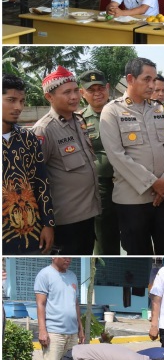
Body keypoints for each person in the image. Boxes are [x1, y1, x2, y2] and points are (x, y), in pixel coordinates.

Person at [100, 57, 164, 255]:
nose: (152, 85)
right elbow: (117, 156)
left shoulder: (159, 109)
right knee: (139, 257)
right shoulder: (112, 111)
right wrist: (153, 183)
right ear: (130, 78)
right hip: (132, 201)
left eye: (154, 80)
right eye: (147, 79)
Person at [33, 66, 101, 255]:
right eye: (66, 92)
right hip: (64, 222)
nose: (74, 97)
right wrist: (46, 224)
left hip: (87, 214)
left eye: (75, 91)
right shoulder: (44, 130)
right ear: (49, 97)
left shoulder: (78, 121)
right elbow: (36, 180)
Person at [2, 74, 54, 255]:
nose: (18, 107)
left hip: (33, 232)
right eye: (11, 100)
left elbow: (41, 183)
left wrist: (48, 224)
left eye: (22, 101)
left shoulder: (28, 138)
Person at [34, 257, 84, 360]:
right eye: (65, 256)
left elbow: (75, 303)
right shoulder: (45, 275)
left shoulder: (72, 276)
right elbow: (40, 304)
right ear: (53, 257)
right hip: (54, 331)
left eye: (70, 257)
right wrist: (42, 330)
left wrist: (80, 327)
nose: (68, 259)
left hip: (72, 332)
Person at [79, 69, 120, 256]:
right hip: (100, 187)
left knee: (134, 233)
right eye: (91, 89)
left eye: (101, 88)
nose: (97, 93)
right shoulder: (78, 120)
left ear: (108, 88)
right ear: (82, 93)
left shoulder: (123, 113)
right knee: (105, 236)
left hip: (128, 183)